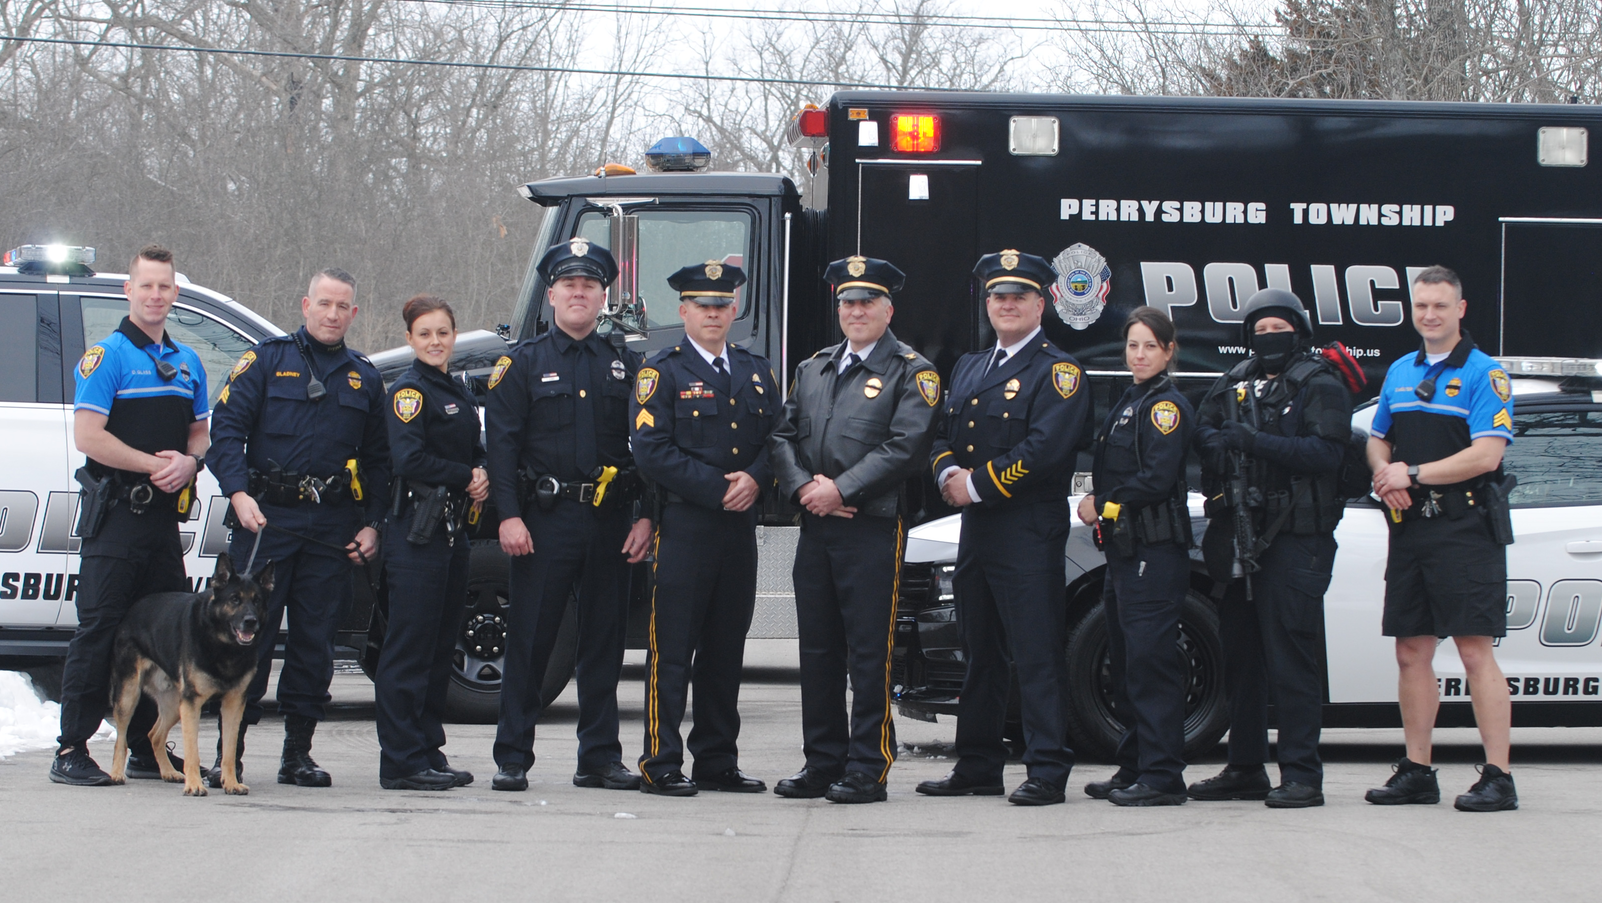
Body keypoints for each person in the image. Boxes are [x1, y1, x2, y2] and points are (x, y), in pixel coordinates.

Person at [916, 250, 1089, 807]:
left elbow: (1046, 449)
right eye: (998, 295)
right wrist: (946, 472)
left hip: (1027, 529)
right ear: (987, 303)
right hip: (978, 533)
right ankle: (978, 764)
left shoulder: (1058, 371)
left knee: (1035, 652)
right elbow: (940, 432)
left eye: (1019, 295)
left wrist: (978, 484)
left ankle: (1047, 768)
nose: (1007, 303)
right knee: (978, 652)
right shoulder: (969, 365)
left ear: (1042, 303)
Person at [207, 268, 391, 789]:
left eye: (343, 307)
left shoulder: (365, 377)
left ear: (354, 314)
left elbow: (380, 460)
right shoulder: (267, 360)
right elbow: (226, 430)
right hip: (266, 520)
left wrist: (373, 524)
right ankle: (231, 755)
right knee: (248, 642)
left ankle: (297, 755)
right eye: (324, 304)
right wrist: (238, 493)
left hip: (331, 527)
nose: (333, 314)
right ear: (305, 304)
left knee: (315, 645)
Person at [767, 255, 940, 804]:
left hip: (871, 529)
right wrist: (803, 490)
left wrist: (840, 490)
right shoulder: (813, 367)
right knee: (817, 652)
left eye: (868, 301)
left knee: (869, 652)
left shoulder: (914, 371)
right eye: (848, 301)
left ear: (889, 309)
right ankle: (822, 761)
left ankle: (868, 765)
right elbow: (781, 436)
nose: (857, 310)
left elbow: (905, 447)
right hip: (816, 528)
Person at [486, 237, 653, 793]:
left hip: (609, 522)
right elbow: (502, 450)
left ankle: (599, 758)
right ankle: (513, 755)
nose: (579, 294)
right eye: (569, 285)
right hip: (543, 522)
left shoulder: (626, 366)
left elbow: (649, 449)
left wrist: (646, 516)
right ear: (551, 294)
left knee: (603, 644)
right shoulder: (522, 364)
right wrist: (508, 516)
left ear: (603, 296)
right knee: (531, 641)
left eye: (590, 286)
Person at [1187, 289, 1353, 809]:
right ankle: (1245, 767)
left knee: (1291, 659)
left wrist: (1253, 442)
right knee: (1240, 658)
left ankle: (1303, 774)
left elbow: (1326, 452)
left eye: (1278, 328)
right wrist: (1222, 444)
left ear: (1298, 332)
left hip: (1295, 538)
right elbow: (1203, 429)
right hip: (1239, 533)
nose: (1268, 337)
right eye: (1259, 330)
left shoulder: (1319, 382)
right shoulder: (1234, 381)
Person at [51, 245, 210, 786]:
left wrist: (190, 463)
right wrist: (153, 466)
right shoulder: (108, 356)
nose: (155, 295)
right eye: (146, 286)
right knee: (99, 631)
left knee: (166, 636)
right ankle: (71, 748)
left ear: (175, 293)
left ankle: (149, 748)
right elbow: (88, 436)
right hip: (117, 518)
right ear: (129, 291)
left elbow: (199, 433)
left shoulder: (189, 362)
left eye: (164, 287)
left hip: (163, 523)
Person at [1363, 266, 1518, 812]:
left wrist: (1414, 473)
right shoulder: (1400, 371)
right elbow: (1377, 439)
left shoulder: (1485, 374)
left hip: (1465, 529)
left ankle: (1499, 776)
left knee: (1475, 652)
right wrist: (1385, 475)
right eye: (1421, 306)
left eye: (1440, 306)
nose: (1429, 315)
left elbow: (1487, 454)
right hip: (1412, 531)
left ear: (1461, 309)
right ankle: (1417, 770)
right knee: (1411, 652)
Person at [630, 261, 777, 796]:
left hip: (739, 530)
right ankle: (661, 762)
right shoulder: (660, 371)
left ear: (734, 309)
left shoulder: (757, 371)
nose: (713, 313)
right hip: (686, 526)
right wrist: (722, 488)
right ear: (683, 310)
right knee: (672, 648)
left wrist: (757, 480)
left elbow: (776, 439)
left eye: (722, 304)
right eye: (702, 305)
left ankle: (716, 760)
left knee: (724, 649)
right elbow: (651, 451)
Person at [1079, 307, 1195, 807]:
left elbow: (1155, 479)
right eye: (1133, 345)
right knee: (1126, 664)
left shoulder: (1166, 406)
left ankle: (1164, 775)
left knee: (1151, 665)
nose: (1140, 354)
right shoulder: (1132, 399)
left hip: (1154, 550)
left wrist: (1099, 505)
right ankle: (1133, 766)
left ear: (1169, 351)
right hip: (1126, 551)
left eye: (1150, 345)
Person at [374, 295, 489, 791]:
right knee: (409, 649)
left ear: (454, 335)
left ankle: (427, 748)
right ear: (409, 339)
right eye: (425, 334)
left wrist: (481, 471)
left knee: (440, 647)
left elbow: (473, 444)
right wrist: (467, 475)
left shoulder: (454, 388)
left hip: (451, 530)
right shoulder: (409, 392)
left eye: (443, 332)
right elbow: (408, 459)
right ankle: (400, 760)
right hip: (415, 534)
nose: (436, 341)